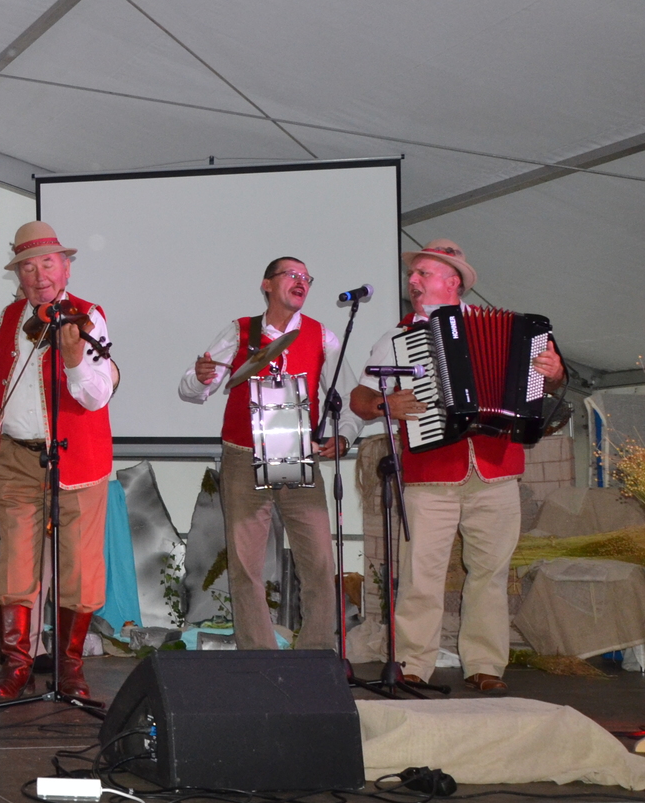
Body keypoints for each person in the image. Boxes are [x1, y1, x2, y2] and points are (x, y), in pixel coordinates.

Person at [349, 240, 563, 692]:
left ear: (454, 281)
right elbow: (360, 398)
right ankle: (413, 663)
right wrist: (386, 404)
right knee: (420, 575)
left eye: (423, 273)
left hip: (496, 470)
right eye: (412, 274)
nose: (412, 281)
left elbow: (542, 384)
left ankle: (485, 665)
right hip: (430, 474)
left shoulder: (515, 331)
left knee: (491, 574)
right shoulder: (397, 338)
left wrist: (554, 371)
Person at [0, 221, 116, 701]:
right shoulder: (5, 321)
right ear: (18, 275)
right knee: (16, 567)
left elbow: (96, 396)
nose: (39, 275)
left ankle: (69, 669)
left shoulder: (89, 318)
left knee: (80, 569)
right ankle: (16, 666)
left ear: (66, 268)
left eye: (48, 263)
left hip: (77, 459)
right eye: (28, 267)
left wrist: (73, 358)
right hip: (16, 459)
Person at [178, 257, 361, 653]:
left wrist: (344, 436)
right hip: (243, 454)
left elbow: (350, 398)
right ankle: (259, 654)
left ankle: (316, 651)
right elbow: (193, 389)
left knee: (318, 560)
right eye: (291, 275)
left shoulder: (322, 336)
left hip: (297, 453)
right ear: (267, 284)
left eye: (306, 277)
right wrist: (200, 377)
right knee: (246, 565)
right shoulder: (240, 330)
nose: (301, 282)